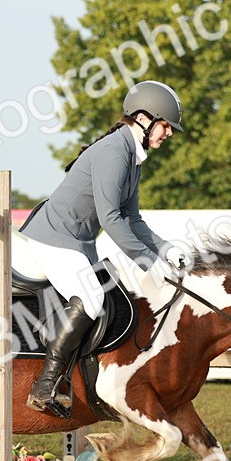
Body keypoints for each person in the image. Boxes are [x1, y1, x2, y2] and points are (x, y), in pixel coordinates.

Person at [17, 80, 188, 416]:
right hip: (54, 237)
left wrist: (165, 250)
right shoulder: (114, 151)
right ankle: (45, 383)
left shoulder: (132, 156)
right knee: (93, 298)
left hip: (75, 242)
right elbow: (110, 220)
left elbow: (132, 219)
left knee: (110, 295)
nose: (168, 133)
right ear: (144, 118)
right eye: (166, 125)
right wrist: (146, 261)